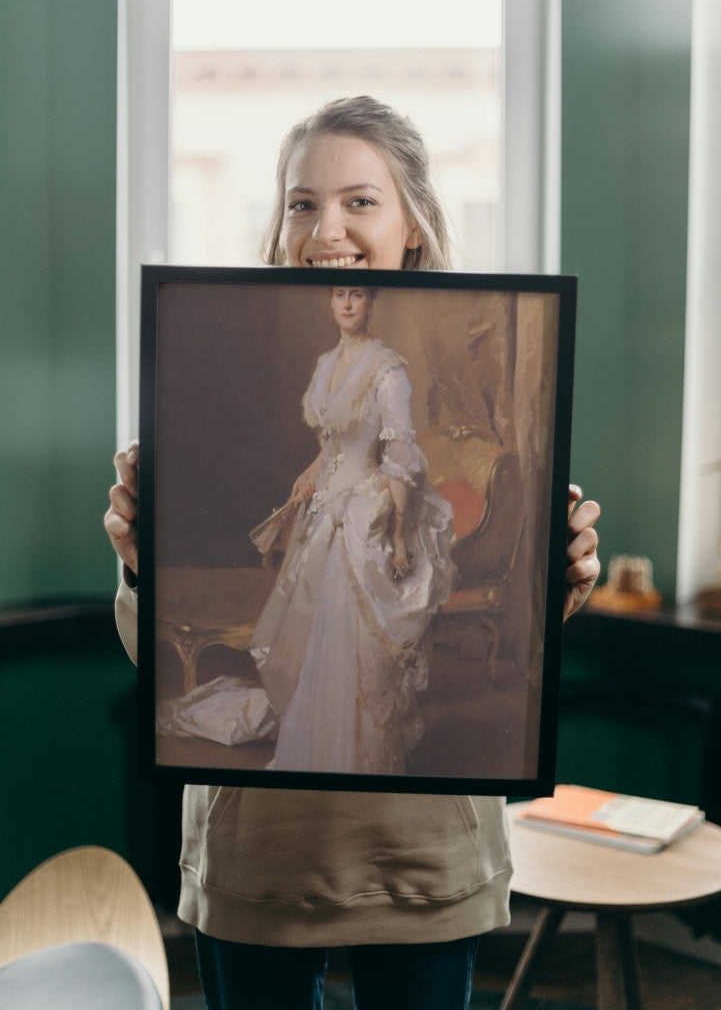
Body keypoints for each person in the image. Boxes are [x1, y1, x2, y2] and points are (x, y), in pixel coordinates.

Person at [105, 96, 601, 1010]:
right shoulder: (287, 360)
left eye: (359, 201)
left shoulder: (395, 367)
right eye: (301, 203)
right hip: (257, 859)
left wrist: (556, 576)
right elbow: (148, 656)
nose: (325, 229)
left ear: (411, 224)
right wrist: (142, 563)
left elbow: (401, 456)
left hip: (419, 859)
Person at [249, 282, 455, 775]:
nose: (346, 304)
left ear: (372, 301)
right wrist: (311, 472)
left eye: (357, 295)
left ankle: (352, 759)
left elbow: (400, 457)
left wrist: (401, 532)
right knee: (313, 628)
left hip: (363, 515)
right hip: (323, 508)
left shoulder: (388, 370)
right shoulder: (325, 364)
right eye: (339, 294)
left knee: (345, 637)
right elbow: (332, 443)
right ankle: (311, 749)